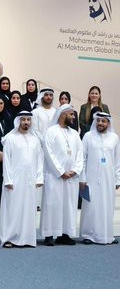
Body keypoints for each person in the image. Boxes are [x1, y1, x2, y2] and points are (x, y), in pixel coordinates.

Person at [0, 111, 44, 247]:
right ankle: (9, 239)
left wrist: (39, 178)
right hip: (14, 180)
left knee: (28, 209)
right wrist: (8, 180)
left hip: (30, 180)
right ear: (18, 121)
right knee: (13, 209)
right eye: (23, 119)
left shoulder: (35, 140)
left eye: (28, 120)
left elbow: (39, 160)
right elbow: (7, 161)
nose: (26, 122)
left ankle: (27, 239)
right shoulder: (10, 138)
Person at [41, 104, 83, 246]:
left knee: (68, 206)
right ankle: (49, 235)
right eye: (71, 114)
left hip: (71, 178)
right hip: (55, 177)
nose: (73, 117)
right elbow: (49, 154)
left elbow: (80, 154)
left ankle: (65, 234)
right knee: (52, 204)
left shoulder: (75, 134)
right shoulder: (51, 132)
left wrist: (75, 170)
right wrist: (60, 172)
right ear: (63, 114)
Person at [78, 112, 119, 244]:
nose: (100, 123)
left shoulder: (114, 138)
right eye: (98, 121)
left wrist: (118, 179)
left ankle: (106, 235)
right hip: (90, 178)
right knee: (90, 207)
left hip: (108, 179)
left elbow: (117, 160)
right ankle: (88, 235)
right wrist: (82, 178)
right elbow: (82, 158)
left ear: (108, 123)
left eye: (103, 121)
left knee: (107, 206)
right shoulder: (88, 136)